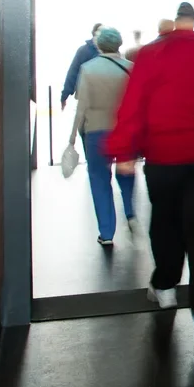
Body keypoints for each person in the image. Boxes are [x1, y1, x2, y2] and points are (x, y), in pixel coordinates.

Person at [106, 2, 194, 310]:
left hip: (164, 158)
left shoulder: (151, 57)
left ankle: (165, 285)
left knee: (166, 221)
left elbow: (133, 105)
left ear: (173, 26)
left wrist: (124, 151)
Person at [69, 27, 136, 245]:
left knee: (99, 179)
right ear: (119, 44)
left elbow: (82, 106)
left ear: (100, 45)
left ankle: (107, 232)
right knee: (125, 171)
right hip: (124, 130)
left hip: (96, 131)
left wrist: (72, 137)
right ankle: (129, 210)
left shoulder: (88, 69)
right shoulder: (131, 69)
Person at [61, 22, 101, 109]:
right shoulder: (110, 51)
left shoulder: (83, 50)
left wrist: (65, 95)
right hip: (103, 95)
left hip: (85, 95)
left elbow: (73, 72)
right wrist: (65, 94)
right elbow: (73, 72)